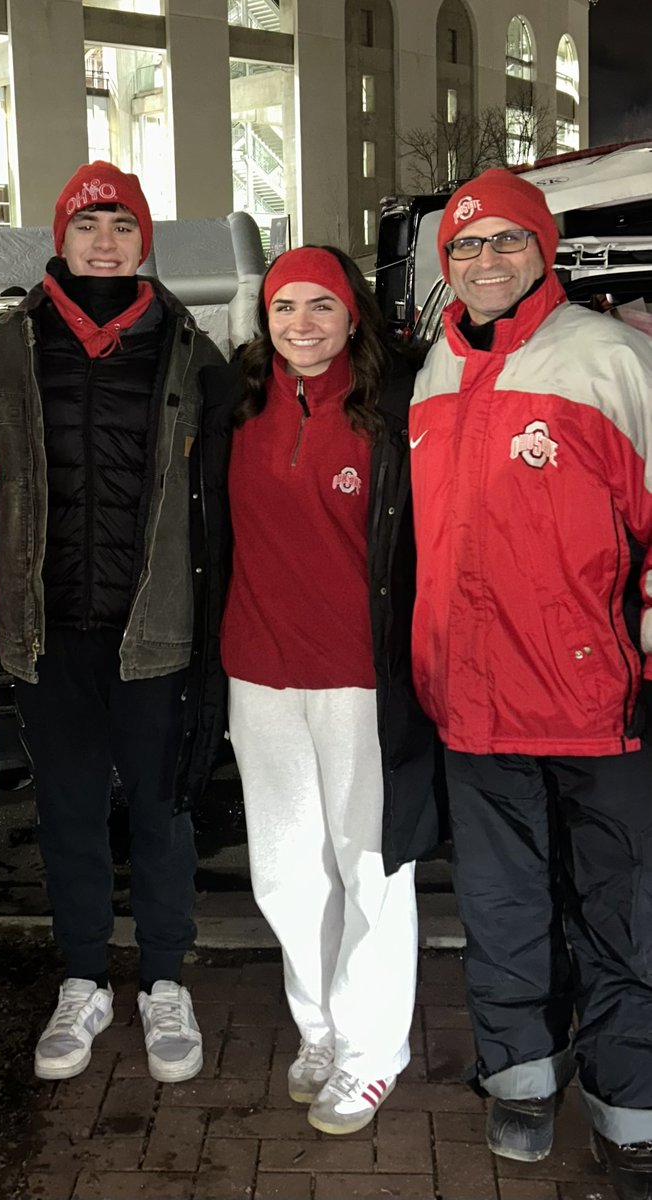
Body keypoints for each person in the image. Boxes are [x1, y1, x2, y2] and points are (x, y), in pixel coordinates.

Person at [410, 167, 652, 1200]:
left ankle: (629, 1095)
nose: (487, 262)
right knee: (504, 903)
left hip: (599, 697)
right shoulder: (431, 373)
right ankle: (519, 1075)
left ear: (544, 250)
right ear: (446, 265)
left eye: (508, 242)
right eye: (467, 247)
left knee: (624, 905)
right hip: (473, 698)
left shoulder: (611, 358)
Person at [0, 161, 230, 1086]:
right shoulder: (9, 344)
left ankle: (166, 978)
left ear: (145, 240)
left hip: (154, 630)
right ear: (60, 236)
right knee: (70, 813)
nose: (104, 241)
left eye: (122, 225)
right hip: (50, 632)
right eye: (87, 224)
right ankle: (83, 976)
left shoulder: (188, 348)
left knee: (164, 813)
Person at [218, 245, 440, 1135]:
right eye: (284, 308)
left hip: (360, 675)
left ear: (354, 316)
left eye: (322, 306)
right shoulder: (233, 405)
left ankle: (372, 1050)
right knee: (284, 873)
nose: (302, 325)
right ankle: (319, 1028)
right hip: (259, 671)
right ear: (263, 320)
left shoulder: (395, 406)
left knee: (372, 867)